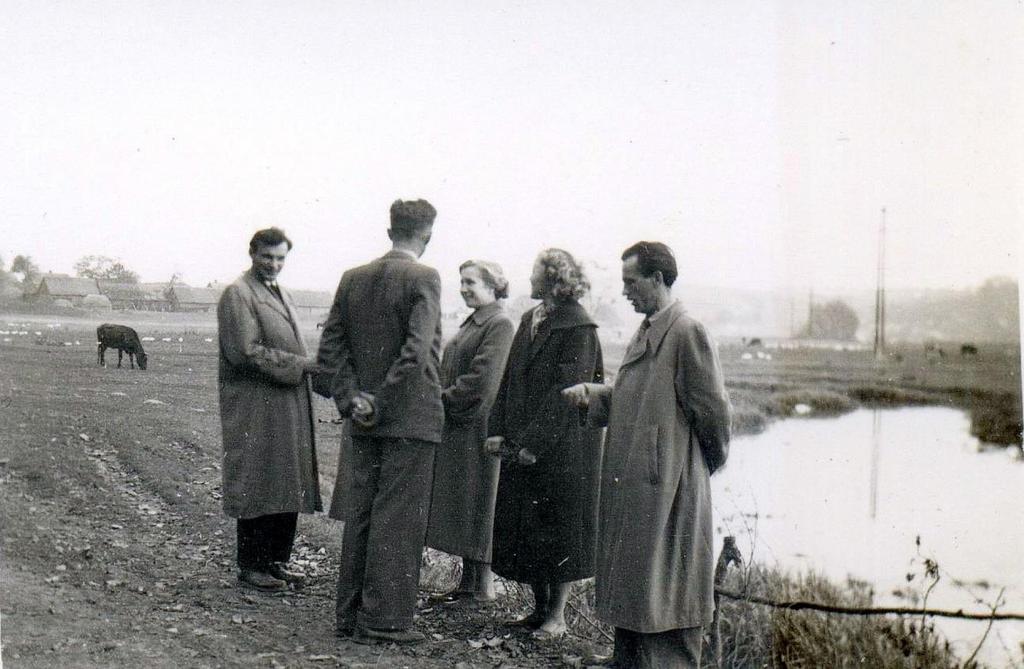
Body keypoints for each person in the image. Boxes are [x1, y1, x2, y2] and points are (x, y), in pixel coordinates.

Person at [562, 241, 732, 668]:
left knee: (668, 587)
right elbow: (635, 397)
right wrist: (597, 398)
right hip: (642, 484)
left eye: (630, 282)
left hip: (671, 486)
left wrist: (691, 466)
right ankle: (629, 660)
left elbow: (714, 413)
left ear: (657, 279)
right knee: (640, 580)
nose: (625, 292)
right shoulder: (650, 327)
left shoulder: (686, 331)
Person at [315, 199, 443, 645]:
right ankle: (384, 621)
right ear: (426, 234)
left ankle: (349, 616)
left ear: (390, 230)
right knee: (399, 521)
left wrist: (355, 400)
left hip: (364, 418)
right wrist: (381, 402)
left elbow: (331, 348)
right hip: (408, 419)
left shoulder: (353, 278)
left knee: (363, 515)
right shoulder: (424, 277)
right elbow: (417, 350)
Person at [484, 248, 604, 640]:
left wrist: (535, 442)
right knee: (529, 528)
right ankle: (537, 611)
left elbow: (565, 395)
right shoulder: (529, 319)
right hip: (522, 443)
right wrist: (497, 429)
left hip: (563, 449)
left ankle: (557, 616)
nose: (529, 277)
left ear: (554, 279)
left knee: (558, 531)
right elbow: (509, 380)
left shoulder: (579, 328)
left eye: (535, 270)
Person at [217, 227, 324, 592]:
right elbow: (244, 352)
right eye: (267, 256)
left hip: (285, 401)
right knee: (258, 477)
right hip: (255, 405)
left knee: (285, 476)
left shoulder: (279, 292)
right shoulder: (239, 293)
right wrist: (301, 364)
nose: (274, 264)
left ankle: (275, 561)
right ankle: (251, 565)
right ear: (252, 253)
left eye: (280, 258)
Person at [426, 260, 515, 602]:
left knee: (479, 499)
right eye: (461, 281)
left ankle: (481, 587)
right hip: (461, 424)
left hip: (477, 426)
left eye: (471, 282)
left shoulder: (499, 323)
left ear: (493, 287)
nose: (463, 288)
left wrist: (441, 399)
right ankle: (470, 583)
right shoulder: (477, 321)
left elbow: (483, 381)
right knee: (466, 501)